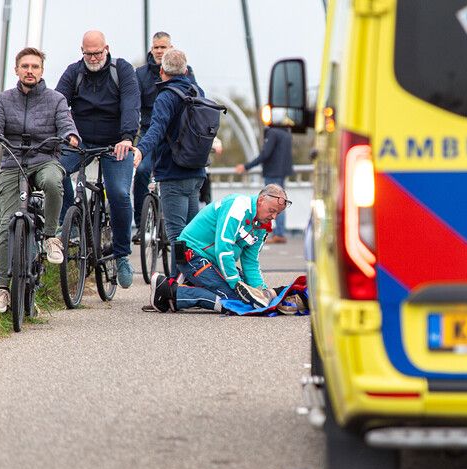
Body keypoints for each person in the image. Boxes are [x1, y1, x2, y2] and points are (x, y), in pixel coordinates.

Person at [0, 47, 80, 313]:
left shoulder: (56, 99)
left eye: (35, 67)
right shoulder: (5, 99)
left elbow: (65, 122)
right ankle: (2, 290)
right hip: (13, 162)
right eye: (25, 67)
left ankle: (50, 237)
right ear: (17, 70)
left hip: (44, 160)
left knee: (55, 182)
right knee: (6, 224)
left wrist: (70, 136)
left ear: (42, 71)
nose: (30, 71)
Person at [55, 30, 140, 288]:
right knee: (55, 172)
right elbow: (58, 104)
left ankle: (122, 253)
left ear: (107, 49)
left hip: (116, 143)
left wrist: (127, 136)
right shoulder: (74, 72)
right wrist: (65, 133)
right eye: (88, 53)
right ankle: (68, 225)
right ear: (82, 51)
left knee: (119, 194)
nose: (93, 58)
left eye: (97, 53)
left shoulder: (122, 71)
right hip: (79, 140)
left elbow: (131, 104)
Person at [147, 184, 292, 313]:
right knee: (235, 300)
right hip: (193, 253)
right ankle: (169, 292)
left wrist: (261, 291)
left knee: (251, 297)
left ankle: (192, 284)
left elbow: (251, 261)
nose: (273, 217)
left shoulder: (262, 226)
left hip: (212, 261)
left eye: (277, 213)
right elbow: (223, 249)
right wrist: (236, 284)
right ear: (261, 200)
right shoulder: (238, 206)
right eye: (271, 210)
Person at [132, 49, 205, 278]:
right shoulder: (197, 91)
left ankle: (175, 288)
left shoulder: (165, 97)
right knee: (193, 237)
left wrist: (141, 150)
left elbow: (156, 129)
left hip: (173, 173)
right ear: (185, 70)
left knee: (178, 238)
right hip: (197, 173)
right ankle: (193, 283)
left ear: (162, 71)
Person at [235, 126, 293, 244]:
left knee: (273, 204)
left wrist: (246, 166)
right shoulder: (286, 133)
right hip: (282, 172)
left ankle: (279, 233)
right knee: (281, 202)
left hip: (272, 172)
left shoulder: (272, 132)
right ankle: (280, 232)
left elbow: (265, 154)